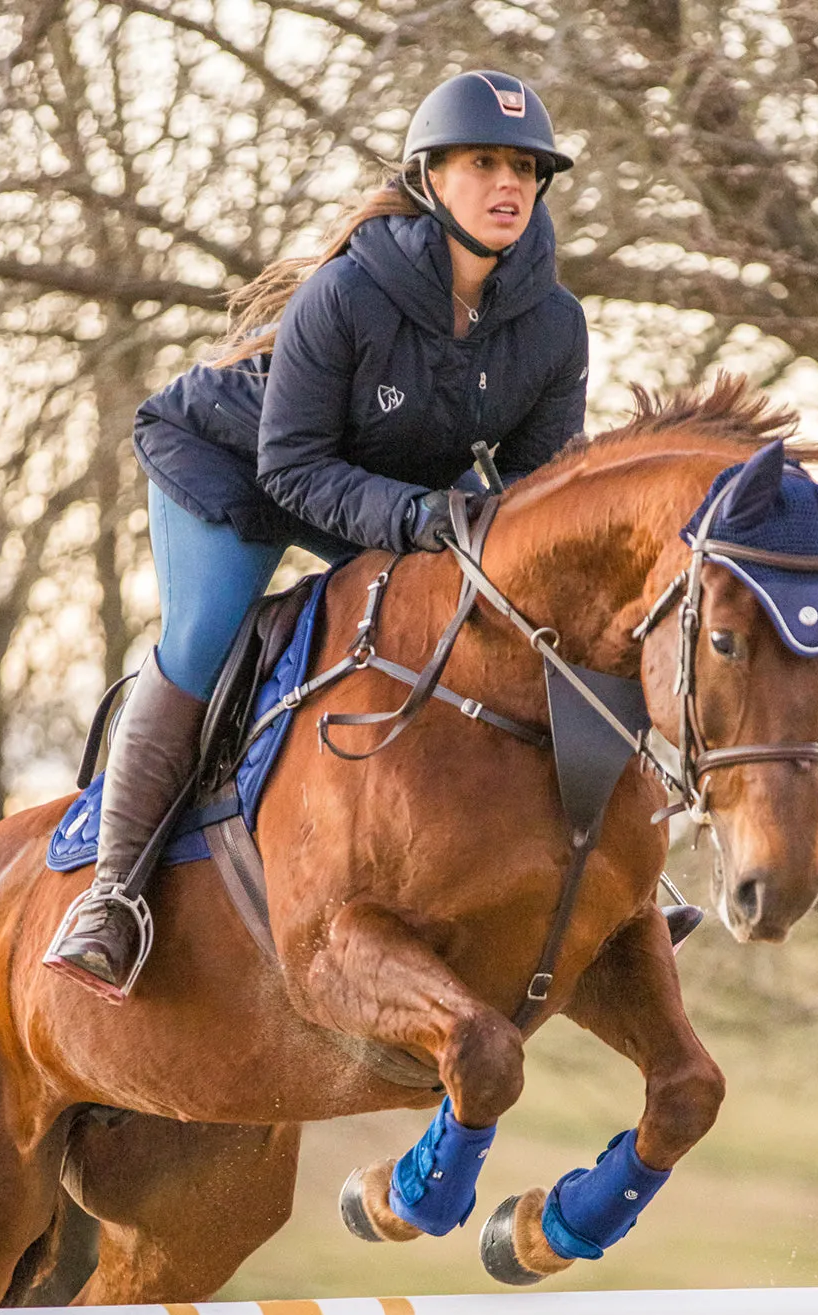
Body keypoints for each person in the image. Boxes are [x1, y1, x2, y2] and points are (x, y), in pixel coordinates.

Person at [44, 69, 589, 1001]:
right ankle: (111, 897)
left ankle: (605, 871)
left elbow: (538, 496)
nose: (510, 185)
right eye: (485, 163)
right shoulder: (347, 294)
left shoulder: (555, 324)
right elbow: (291, 469)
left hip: (383, 480)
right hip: (236, 466)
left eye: (528, 171)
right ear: (430, 178)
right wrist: (418, 518)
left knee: (516, 611)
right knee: (205, 636)